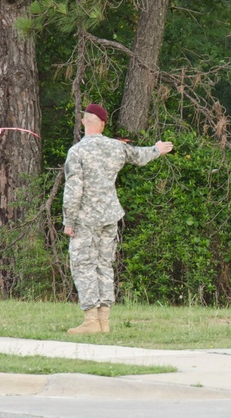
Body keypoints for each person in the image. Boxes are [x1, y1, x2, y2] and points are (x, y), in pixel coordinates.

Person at [62, 103, 174, 334]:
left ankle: (91, 320)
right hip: (109, 216)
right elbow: (140, 156)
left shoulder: (77, 152)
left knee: (83, 265)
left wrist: (69, 221)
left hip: (85, 218)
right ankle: (105, 322)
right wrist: (157, 148)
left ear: (84, 122)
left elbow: (73, 189)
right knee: (105, 265)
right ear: (103, 124)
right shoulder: (116, 147)